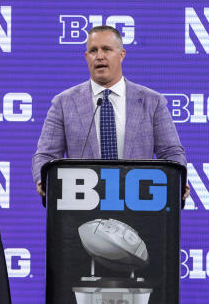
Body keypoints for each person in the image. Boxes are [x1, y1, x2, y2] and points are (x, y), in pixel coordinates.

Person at [32, 25, 187, 196]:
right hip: (82, 202)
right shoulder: (63, 103)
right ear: (86, 57)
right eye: (93, 51)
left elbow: (171, 152)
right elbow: (46, 155)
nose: (99, 56)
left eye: (106, 49)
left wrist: (179, 180)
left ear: (122, 55)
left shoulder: (153, 102)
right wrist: (43, 179)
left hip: (139, 200)